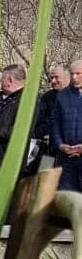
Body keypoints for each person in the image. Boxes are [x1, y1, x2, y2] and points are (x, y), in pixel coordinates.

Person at [0, 65, 35, 214]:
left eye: (2, 79)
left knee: (4, 202)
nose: (0, 82)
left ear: (10, 80)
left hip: (7, 160)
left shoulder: (27, 100)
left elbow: (18, 130)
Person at [50, 58, 82, 195]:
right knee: (67, 197)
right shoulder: (62, 95)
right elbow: (55, 122)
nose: (74, 77)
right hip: (66, 158)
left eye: (78, 74)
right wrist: (59, 144)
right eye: (72, 73)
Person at [36, 63, 70, 160]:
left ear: (68, 77)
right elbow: (38, 122)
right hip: (50, 151)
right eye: (51, 78)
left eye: (56, 77)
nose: (53, 81)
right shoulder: (47, 97)